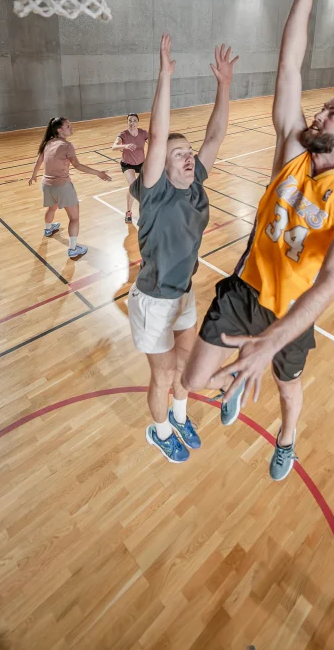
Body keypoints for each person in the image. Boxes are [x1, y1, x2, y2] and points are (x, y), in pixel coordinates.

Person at [182, 0, 334, 480]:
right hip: (245, 288)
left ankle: (287, 438)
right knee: (193, 380)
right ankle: (239, 376)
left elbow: (329, 284)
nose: (319, 114)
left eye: (331, 114)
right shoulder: (292, 145)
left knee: (288, 387)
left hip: (291, 313)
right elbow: (289, 67)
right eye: (324, 107)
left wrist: (269, 342)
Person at [128, 34, 238, 464]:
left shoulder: (196, 186)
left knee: (187, 366)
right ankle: (158, 431)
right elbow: (156, 137)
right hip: (153, 300)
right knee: (165, 373)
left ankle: (179, 414)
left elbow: (216, 132)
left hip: (184, 294)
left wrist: (224, 85)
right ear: (162, 163)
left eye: (189, 152)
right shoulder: (154, 193)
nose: (188, 157)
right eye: (179, 154)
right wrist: (165, 76)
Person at [29, 116, 111, 259]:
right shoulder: (67, 146)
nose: (71, 128)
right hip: (63, 187)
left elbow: (38, 161)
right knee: (74, 218)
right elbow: (78, 165)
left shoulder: (47, 143)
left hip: (46, 185)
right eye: (68, 126)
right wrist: (99, 173)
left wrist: (33, 175)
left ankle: (48, 230)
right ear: (60, 130)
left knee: (51, 208)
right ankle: (73, 249)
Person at [111, 113, 148, 224]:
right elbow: (114, 147)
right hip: (127, 164)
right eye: (130, 121)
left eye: (134, 121)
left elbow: (154, 142)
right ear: (127, 122)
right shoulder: (123, 134)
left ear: (138, 122)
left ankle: (145, 211)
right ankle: (128, 212)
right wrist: (124, 146)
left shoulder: (143, 133)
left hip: (141, 163)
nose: (132, 123)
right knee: (133, 186)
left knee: (145, 187)